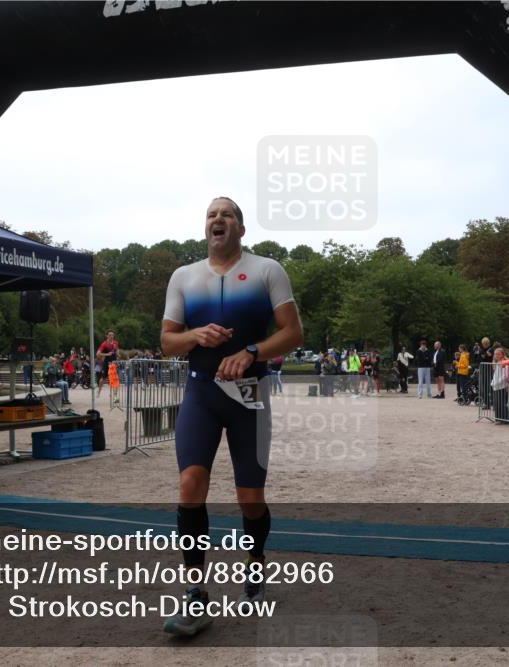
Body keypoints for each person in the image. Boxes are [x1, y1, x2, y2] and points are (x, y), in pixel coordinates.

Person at [160, 196, 302, 637]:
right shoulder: (184, 276)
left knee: (249, 498)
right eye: (210, 215)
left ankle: (255, 563)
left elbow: (294, 333)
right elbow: (167, 342)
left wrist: (252, 351)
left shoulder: (266, 270)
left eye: (227, 214)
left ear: (241, 228)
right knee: (190, 484)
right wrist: (195, 335)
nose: (217, 219)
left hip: (249, 395)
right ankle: (195, 594)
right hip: (201, 392)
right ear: (205, 228)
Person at [490, 346, 509, 423]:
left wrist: (496, 382)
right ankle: (498, 418)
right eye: (495, 354)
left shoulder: (505, 363)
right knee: (497, 403)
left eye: (498, 354)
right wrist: (493, 382)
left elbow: (505, 375)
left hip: (502, 386)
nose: (496, 356)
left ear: (502, 355)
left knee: (501, 403)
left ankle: (505, 419)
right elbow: (495, 375)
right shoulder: (497, 363)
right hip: (496, 386)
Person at [96, 330, 119, 395]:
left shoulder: (116, 343)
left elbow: (117, 350)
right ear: (106, 336)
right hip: (106, 363)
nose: (111, 336)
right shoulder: (104, 344)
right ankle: (99, 390)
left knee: (115, 379)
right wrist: (107, 354)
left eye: (112, 335)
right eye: (110, 335)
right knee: (103, 379)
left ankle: (115, 395)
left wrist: (118, 354)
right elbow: (98, 354)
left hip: (113, 363)